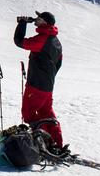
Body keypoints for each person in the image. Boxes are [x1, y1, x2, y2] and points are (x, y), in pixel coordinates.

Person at [14, 11, 64, 149]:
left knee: (29, 115)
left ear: (45, 23)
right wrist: (48, 75)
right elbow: (59, 63)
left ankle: (40, 142)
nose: (36, 20)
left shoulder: (42, 39)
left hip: (36, 86)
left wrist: (22, 24)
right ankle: (56, 143)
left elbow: (19, 42)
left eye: (39, 18)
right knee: (46, 114)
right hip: (47, 86)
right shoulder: (56, 41)